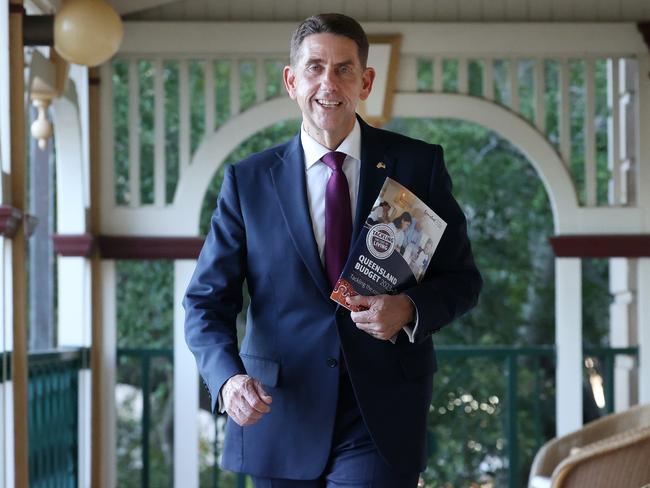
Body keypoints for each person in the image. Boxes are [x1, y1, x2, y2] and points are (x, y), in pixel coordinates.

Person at [183, 13, 482, 488]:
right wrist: (227, 379)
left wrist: (408, 309)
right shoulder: (248, 182)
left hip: (380, 412)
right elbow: (205, 302)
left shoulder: (417, 166)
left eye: (344, 69)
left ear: (365, 81)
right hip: (280, 410)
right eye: (315, 67)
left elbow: (463, 280)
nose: (329, 82)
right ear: (291, 80)